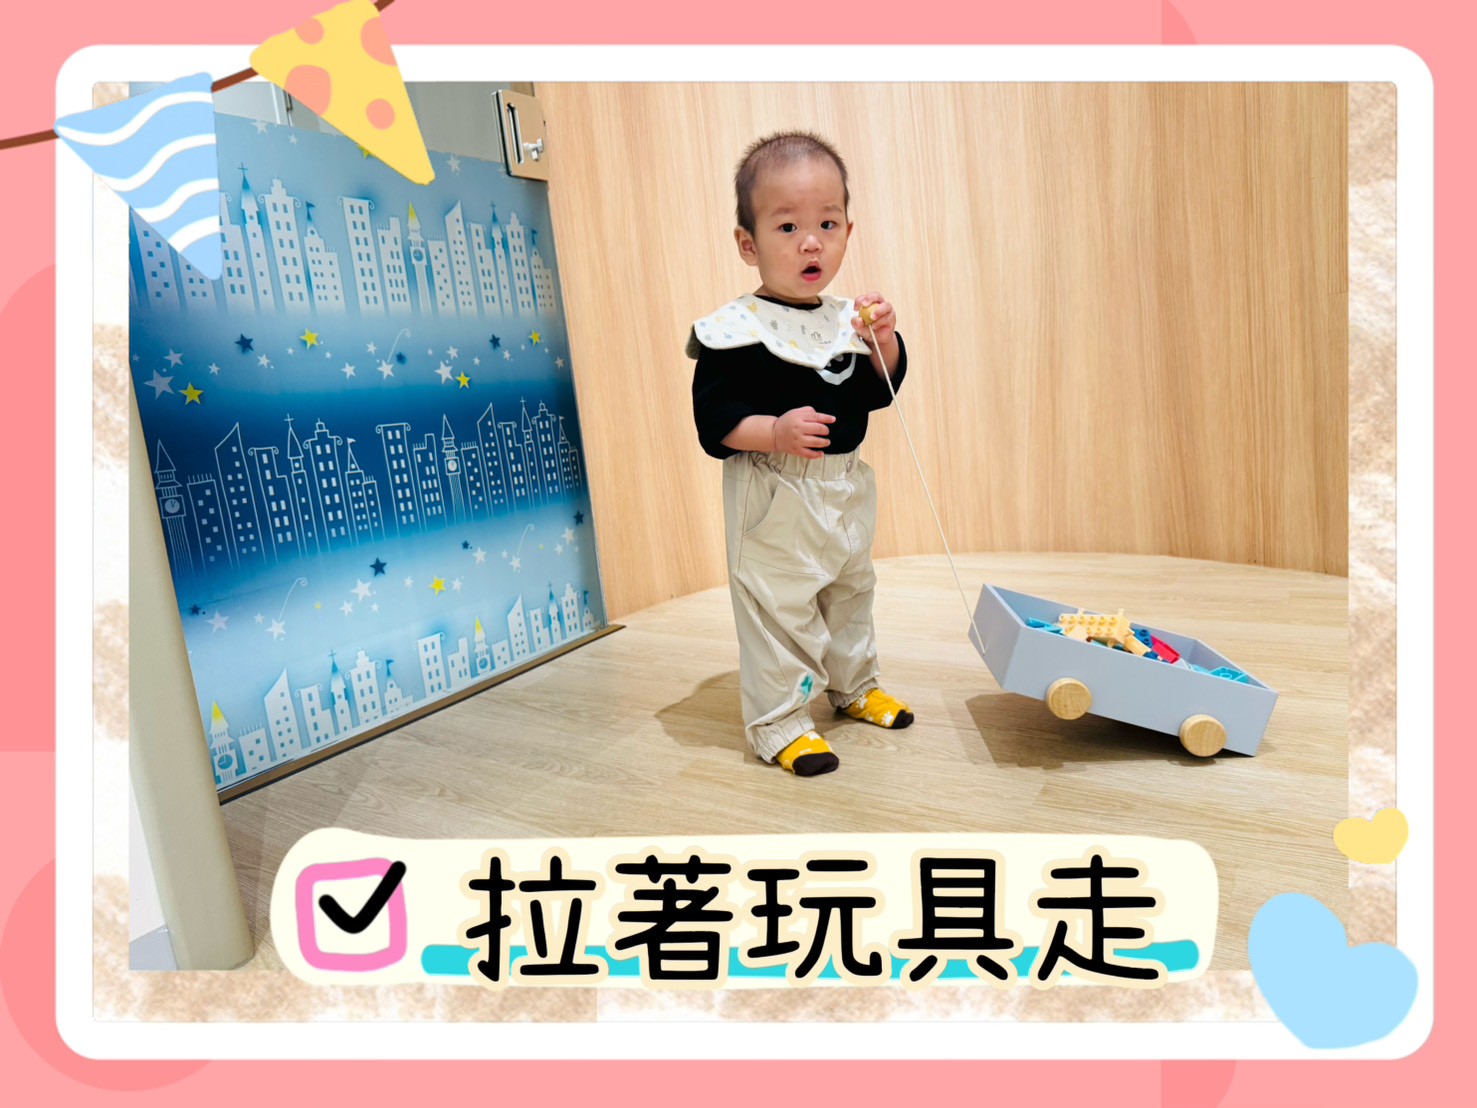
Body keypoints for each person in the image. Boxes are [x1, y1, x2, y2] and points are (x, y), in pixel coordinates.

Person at [688, 130, 914, 778]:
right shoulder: (735, 330)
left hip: (843, 485)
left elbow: (879, 391)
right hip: (774, 488)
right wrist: (773, 431)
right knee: (777, 606)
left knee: (850, 591)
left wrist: (884, 340)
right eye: (787, 227)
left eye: (826, 224)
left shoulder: (845, 319)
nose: (810, 242)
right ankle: (781, 721)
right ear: (748, 244)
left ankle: (855, 684)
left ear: (847, 231)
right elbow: (714, 421)